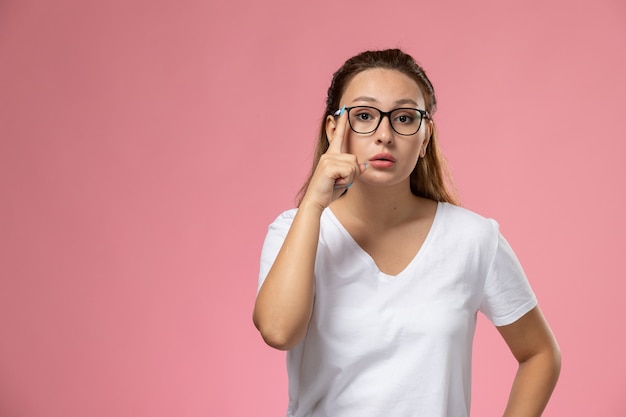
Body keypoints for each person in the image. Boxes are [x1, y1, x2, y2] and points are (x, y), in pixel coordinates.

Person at [253, 48, 561, 417]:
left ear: (425, 134)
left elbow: (540, 354)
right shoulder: (296, 230)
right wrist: (315, 206)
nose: (384, 135)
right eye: (364, 116)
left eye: (403, 118)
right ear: (335, 129)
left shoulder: (473, 239)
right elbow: (277, 331)